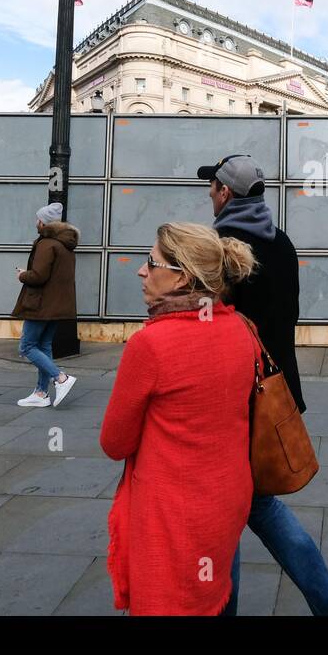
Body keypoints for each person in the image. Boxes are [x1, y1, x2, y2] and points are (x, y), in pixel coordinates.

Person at [198, 153, 328, 616]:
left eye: (211, 188)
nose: (209, 195)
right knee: (256, 505)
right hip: (276, 389)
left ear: (225, 193)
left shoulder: (220, 249)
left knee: (228, 508)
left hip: (233, 395)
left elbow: (210, 324)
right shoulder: (283, 242)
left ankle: (225, 610)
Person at [100, 221, 259, 615]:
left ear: (181, 277)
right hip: (226, 498)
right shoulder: (242, 329)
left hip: (172, 514)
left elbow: (114, 443)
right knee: (214, 594)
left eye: (151, 263)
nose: (141, 271)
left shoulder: (151, 345)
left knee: (169, 601)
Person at [11, 202, 78, 408]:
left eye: (37, 219)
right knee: (44, 346)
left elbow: (39, 276)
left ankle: (61, 378)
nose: (36, 222)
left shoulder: (46, 244)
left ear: (44, 222)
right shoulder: (65, 245)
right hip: (57, 305)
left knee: (27, 346)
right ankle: (41, 393)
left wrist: (23, 275)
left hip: (40, 304)